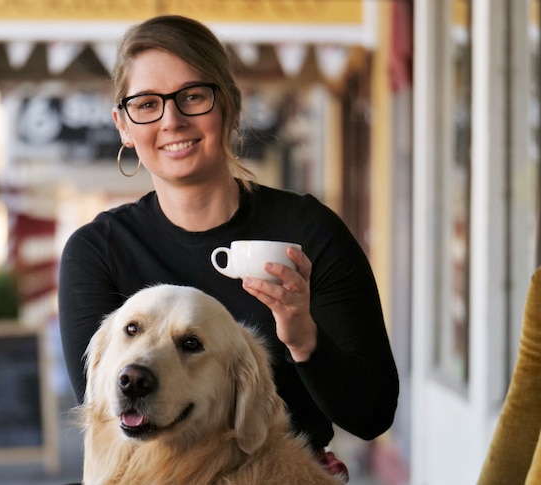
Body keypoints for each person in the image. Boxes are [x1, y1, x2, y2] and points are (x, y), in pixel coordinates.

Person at [58, 15, 399, 481]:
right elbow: (111, 421)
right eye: (147, 103)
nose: (171, 119)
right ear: (123, 125)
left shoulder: (310, 232)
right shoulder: (97, 252)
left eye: (193, 97)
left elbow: (372, 414)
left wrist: (304, 338)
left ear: (231, 109)